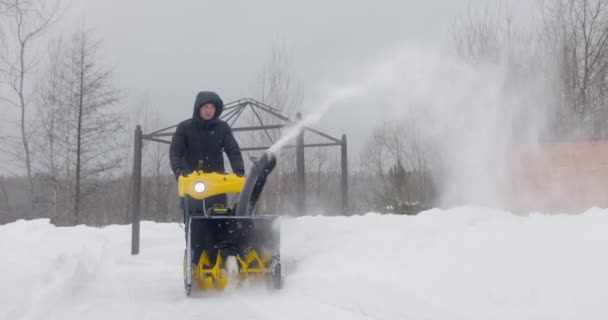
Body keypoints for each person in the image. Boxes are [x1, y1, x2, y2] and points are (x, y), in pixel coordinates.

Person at [170, 91, 245, 212]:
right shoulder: (185, 128)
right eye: (205, 107)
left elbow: (233, 150)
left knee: (219, 220)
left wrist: (239, 170)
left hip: (217, 185)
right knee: (194, 222)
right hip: (191, 183)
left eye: (211, 107)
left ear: (216, 110)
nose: (208, 111)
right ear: (198, 108)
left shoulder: (222, 128)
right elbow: (175, 152)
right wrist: (179, 170)